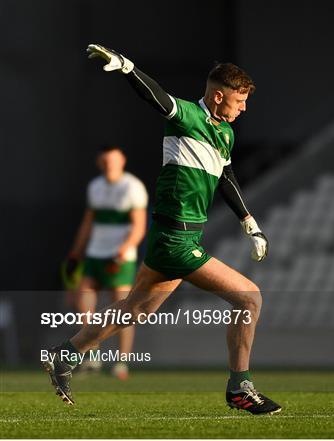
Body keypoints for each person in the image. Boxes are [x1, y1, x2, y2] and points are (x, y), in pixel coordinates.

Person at [43, 44, 281, 415]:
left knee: (133, 311)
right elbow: (158, 98)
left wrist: (249, 222)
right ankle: (239, 387)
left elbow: (227, 175)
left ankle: (65, 354)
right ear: (218, 96)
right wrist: (126, 67)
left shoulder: (225, 135)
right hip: (176, 240)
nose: (244, 108)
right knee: (249, 298)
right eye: (239, 100)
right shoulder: (187, 115)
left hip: (175, 237)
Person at [64, 145, 148, 380]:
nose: (108, 165)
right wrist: (75, 254)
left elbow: (139, 226)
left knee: (122, 308)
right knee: (83, 298)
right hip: (95, 254)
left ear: (121, 160)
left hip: (119, 256)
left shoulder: (132, 187)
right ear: (100, 163)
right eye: (105, 162)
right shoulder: (96, 187)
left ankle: (121, 361)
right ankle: (91, 353)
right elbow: (87, 224)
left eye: (112, 161)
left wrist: (123, 249)